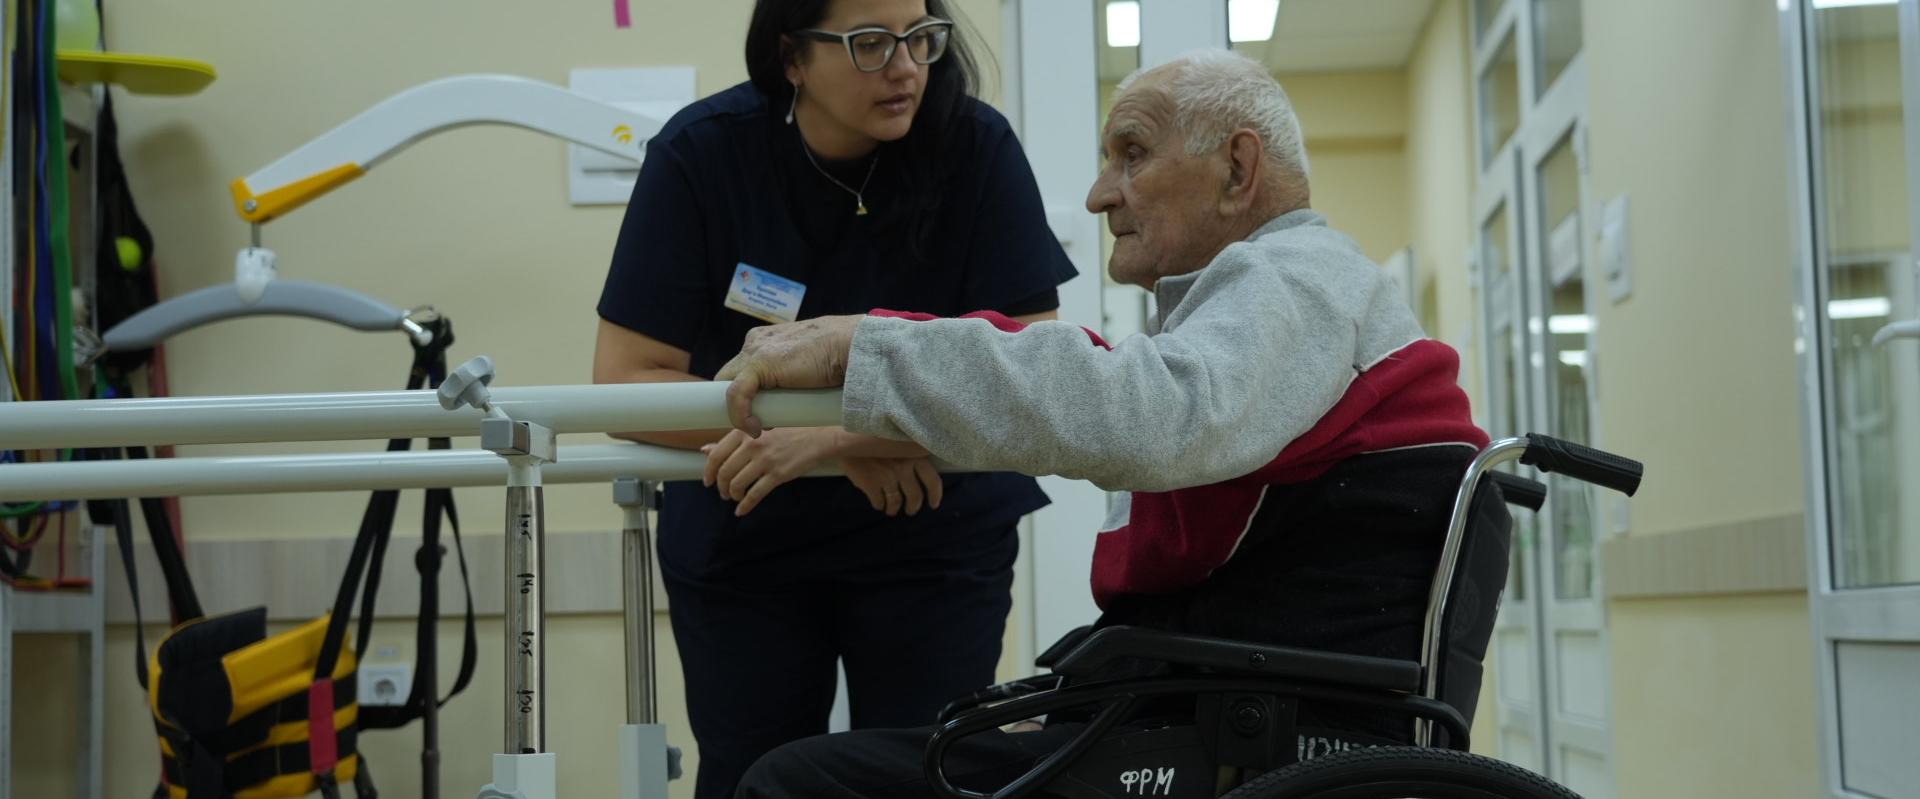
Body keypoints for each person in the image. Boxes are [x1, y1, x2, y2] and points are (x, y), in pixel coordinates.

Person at [710, 50, 1506, 798]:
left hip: (1241, 730)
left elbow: (1151, 411)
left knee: (793, 781)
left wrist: (861, 346)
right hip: (1214, 712)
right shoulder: (1282, 299)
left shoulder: (1299, 277)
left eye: (1132, 154)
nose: (1099, 194)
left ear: (1238, 168)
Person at [590, 1, 1077, 796]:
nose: (906, 66)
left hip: (930, 525)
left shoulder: (974, 148)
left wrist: (845, 435)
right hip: (750, 530)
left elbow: (1030, 366)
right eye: (869, 43)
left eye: (922, 37)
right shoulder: (704, 155)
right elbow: (625, 385)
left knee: (929, 776)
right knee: (757, 780)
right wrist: (843, 433)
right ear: (790, 58)